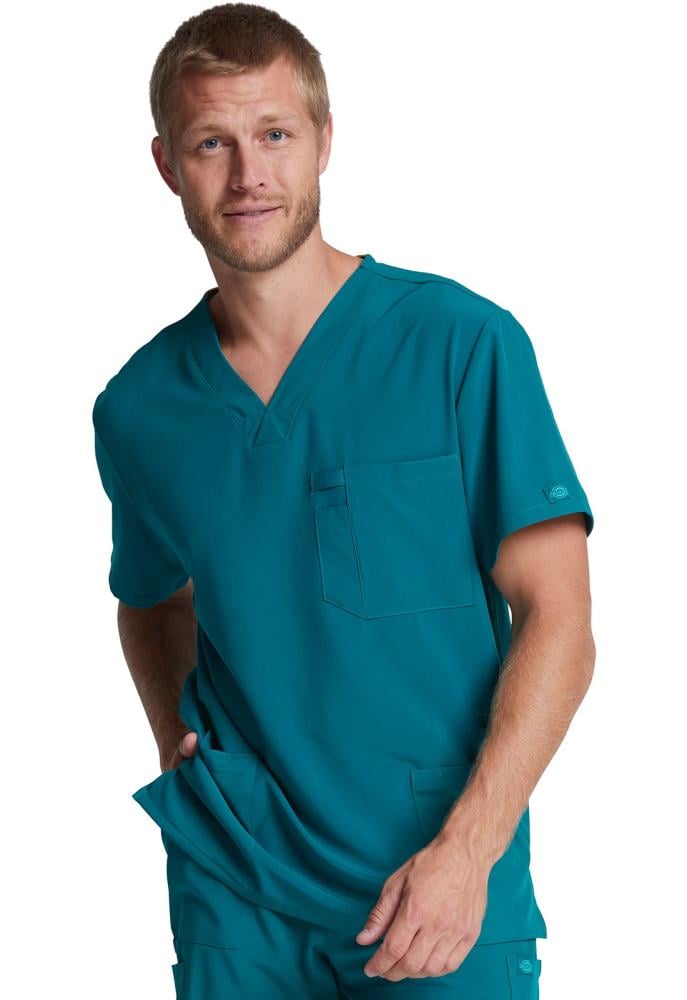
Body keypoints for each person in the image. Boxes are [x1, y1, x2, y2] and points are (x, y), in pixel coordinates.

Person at [91, 4, 595, 997]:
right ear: (167, 166)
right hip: (236, 885)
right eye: (212, 143)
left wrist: (468, 852)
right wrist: (178, 744)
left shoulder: (461, 344)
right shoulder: (140, 406)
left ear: (324, 141)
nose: (249, 174)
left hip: (432, 882)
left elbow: (561, 620)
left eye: (275, 133)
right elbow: (150, 597)